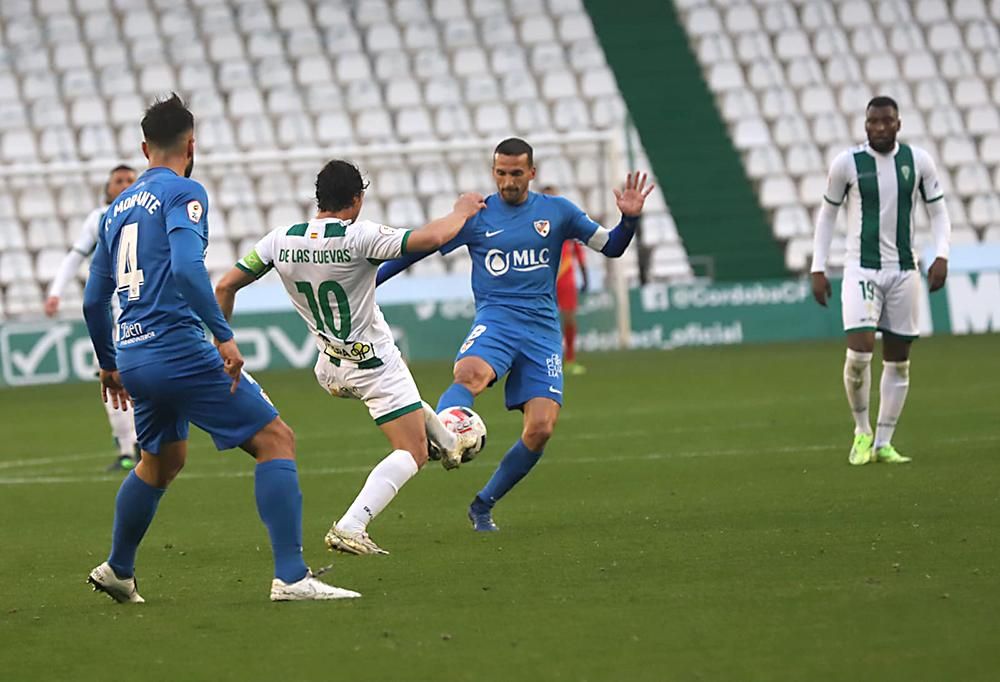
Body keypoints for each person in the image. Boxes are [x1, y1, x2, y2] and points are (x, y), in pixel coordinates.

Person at [82, 94, 358, 603]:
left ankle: (119, 569)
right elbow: (188, 269)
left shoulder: (113, 211)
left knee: (160, 462)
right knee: (276, 439)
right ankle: (292, 577)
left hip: (135, 354)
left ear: (145, 148)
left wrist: (108, 364)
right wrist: (223, 336)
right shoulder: (184, 192)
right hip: (177, 348)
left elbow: (93, 298)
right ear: (192, 143)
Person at [377, 137, 653, 531]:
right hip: (497, 320)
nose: (508, 182)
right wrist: (368, 285)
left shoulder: (557, 212)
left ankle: (482, 505)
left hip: (541, 329)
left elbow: (611, 247)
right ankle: (447, 434)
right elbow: (416, 250)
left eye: (516, 174)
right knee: (469, 373)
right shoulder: (477, 216)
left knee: (540, 429)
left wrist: (628, 220)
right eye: (501, 173)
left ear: (532, 173)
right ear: (494, 172)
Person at [214, 159, 486, 556]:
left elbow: (225, 285)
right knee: (412, 452)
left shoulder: (279, 239)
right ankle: (352, 525)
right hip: (373, 365)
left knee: (412, 411)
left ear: (318, 198)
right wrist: (461, 211)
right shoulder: (359, 237)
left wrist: (223, 341)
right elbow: (431, 238)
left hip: (330, 366)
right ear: (356, 199)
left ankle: (449, 441)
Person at [811, 95, 951, 466]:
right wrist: (817, 266)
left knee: (899, 362)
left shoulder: (918, 161)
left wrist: (942, 254)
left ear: (898, 124)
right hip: (861, 268)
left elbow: (939, 213)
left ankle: (884, 442)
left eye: (887, 121)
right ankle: (861, 432)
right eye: (873, 122)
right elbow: (826, 217)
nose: (880, 128)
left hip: (904, 271)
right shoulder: (847, 164)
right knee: (858, 354)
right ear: (865, 125)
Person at [46, 165, 141, 471]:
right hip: (111, 309)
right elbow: (74, 257)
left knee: (138, 375)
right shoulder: (99, 219)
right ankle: (129, 449)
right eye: (119, 180)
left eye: (130, 180)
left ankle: (138, 444)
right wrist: (55, 292)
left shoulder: (146, 211)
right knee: (111, 372)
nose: (125, 184)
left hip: (142, 304)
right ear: (108, 188)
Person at [541, 185, 589, 375]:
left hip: (566, 280)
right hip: (544, 282)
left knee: (569, 318)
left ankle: (570, 359)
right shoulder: (535, 224)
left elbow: (578, 251)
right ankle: (547, 361)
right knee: (544, 322)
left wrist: (585, 277)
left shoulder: (566, 224)